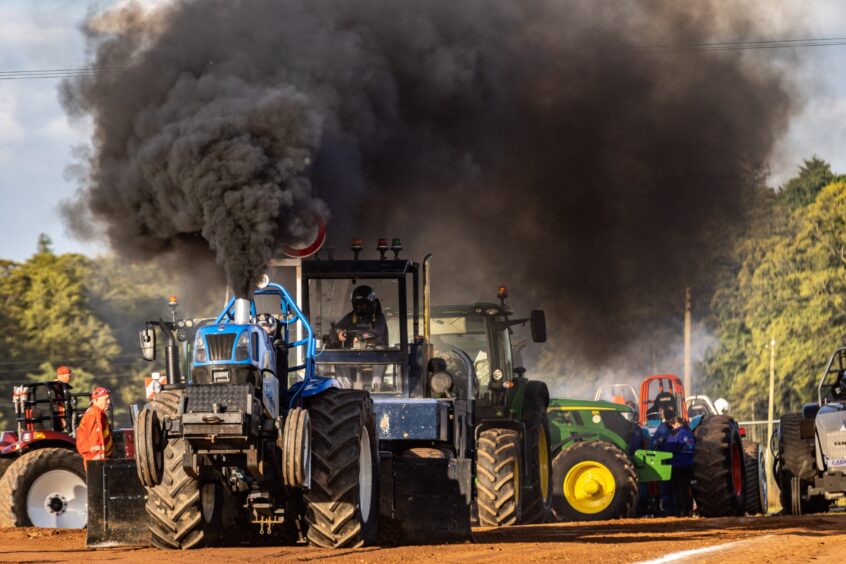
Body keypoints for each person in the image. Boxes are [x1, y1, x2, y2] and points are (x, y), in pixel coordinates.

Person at [333, 285, 389, 391]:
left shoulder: (379, 317)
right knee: (340, 357)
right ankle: (345, 389)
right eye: (358, 305)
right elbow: (337, 327)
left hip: (373, 354)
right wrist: (339, 331)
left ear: (370, 303)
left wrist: (360, 337)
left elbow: (377, 332)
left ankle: (376, 386)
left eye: (363, 304)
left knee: (381, 353)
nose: (360, 307)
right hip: (354, 353)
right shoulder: (351, 316)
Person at [660, 406, 696, 517]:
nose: (672, 427)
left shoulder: (676, 434)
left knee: (678, 490)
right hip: (689, 464)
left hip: (677, 465)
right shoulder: (688, 432)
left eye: (672, 425)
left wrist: (660, 443)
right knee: (687, 489)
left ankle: (681, 511)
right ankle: (689, 510)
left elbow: (668, 448)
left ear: (676, 424)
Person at [75, 387, 114, 470]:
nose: (109, 402)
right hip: (96, 463)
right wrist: (100, 465)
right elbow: (96, 443)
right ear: (96, 400)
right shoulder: (94, 416)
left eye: (109, 399)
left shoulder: (99, 414)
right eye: (106, 399)